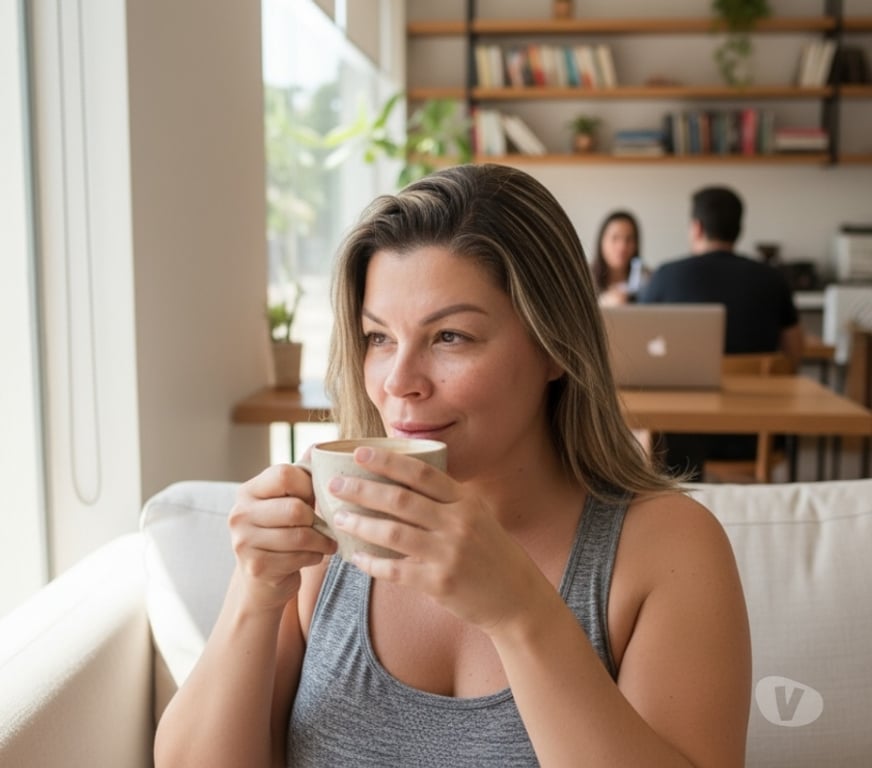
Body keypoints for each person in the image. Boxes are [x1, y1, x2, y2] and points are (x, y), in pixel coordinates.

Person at [154, 165, 751, 767]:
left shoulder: (666, 548)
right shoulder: (330, 537)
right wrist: (254, 594)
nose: (399, 382)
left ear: (555, 347)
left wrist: (519, 613)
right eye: (379, 337)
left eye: (450, 337)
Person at [638, 185, 804, 479]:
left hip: (679, 436)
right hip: (756, 435)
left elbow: (639, 352)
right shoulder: (772, 279)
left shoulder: (666, 276)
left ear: (697, 227)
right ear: (739, 229)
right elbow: (794, 356)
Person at [591, 209, 647, 306]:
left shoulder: (648, 280)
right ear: (601, 242)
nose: (622, 247)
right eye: (615, 238)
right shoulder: (585, 278)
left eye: (629, 239)